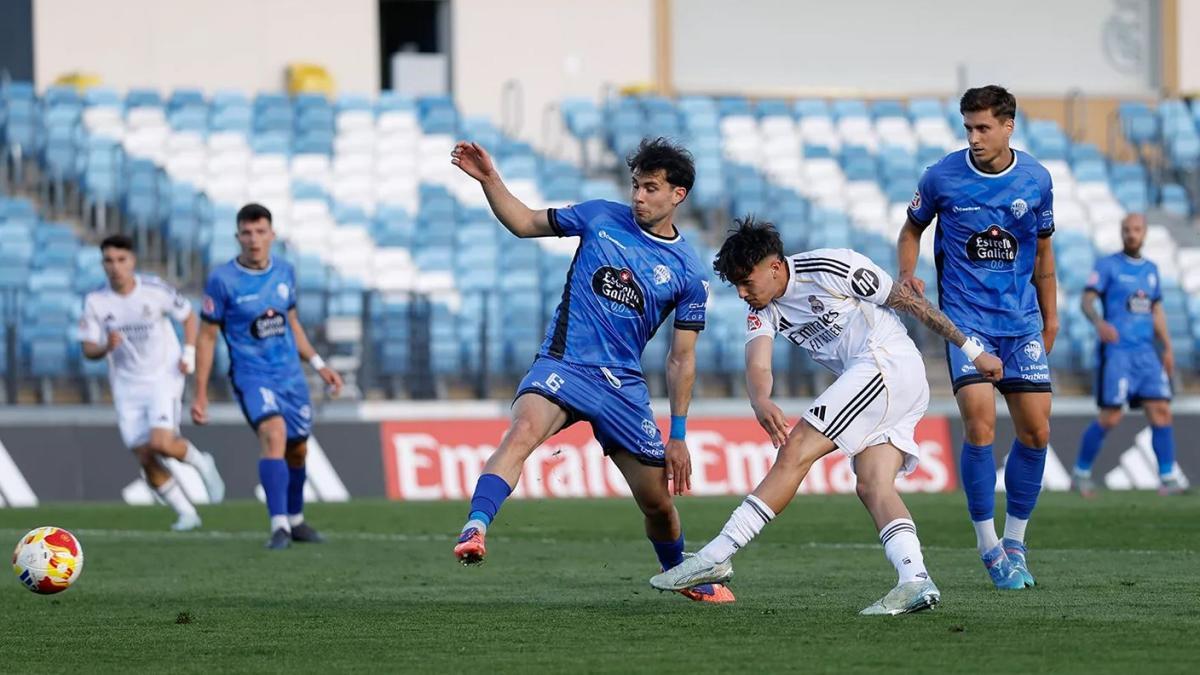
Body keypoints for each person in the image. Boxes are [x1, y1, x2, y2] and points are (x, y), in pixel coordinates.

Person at [649, 219, 1003, 615]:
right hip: (882, 383)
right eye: (736, 286)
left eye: (747, 282)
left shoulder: (833, 267)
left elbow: (909, 302)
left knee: (795, 449)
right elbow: (758, 363)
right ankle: (914, 580)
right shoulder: (762, 308)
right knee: (872, 485)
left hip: (885, 364)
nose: (743, 293)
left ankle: (719, 552)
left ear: (775, 267)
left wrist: (973, 351)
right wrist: (760, 400)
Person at [448, 137, 733, 603]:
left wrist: (678, 433)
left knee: (658, 503)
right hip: (564, 363)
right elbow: (524, 222)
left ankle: (681, 574)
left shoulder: (688, 272)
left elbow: (681, 358)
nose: (638, 196)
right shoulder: (599, 215)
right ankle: (475, 527)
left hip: (623, 388)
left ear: (678, 195)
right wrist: (489, 180)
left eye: (651, 188)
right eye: (636, 186)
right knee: (521, 432)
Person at [896, 85, 1057, 590]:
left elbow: (1045, 258)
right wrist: (909, 273)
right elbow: (910, 231)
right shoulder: (942, 176)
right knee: (981, 427)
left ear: (1009, 126)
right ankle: (988, 545)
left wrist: (1050, 321)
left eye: (983, 127)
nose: (974, 137)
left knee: (1036, 433)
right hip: (968, 325)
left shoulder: (1036, 179)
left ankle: (1016, 540)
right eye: (968, 127)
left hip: (1022, 323)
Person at [191, 203, 344, 549]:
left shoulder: (285, 272)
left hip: (290, 375)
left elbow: (291, 323)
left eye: (260, 232)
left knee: (298, 449)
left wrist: (319, 365)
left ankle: (296, 519)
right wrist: (199, 392)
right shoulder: (223, 280)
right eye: (246, 233)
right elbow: (206, 337)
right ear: (237, 237)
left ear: (272, 235)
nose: (254, 239)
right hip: (251, 375)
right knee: (273, 433)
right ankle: (279, 527)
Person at [79, 234, 225, 531]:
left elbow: (188, 317)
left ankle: (201, 462)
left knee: (162, 443)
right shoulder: (96, 301)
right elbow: (88, 349)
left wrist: (189, 352)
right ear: (102, 263)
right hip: (126, 385)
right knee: (145, 455)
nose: (115, 267)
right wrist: (107, 345)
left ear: (132, 261)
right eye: (109, 260)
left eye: (121, 260)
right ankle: (186, 513)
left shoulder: (154, 290)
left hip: (162, 375)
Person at [1073, 213, 1183, 496]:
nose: (1131, 234)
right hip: (1118, 352)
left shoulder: (1152, 270)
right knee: (1111, 416)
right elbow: (1087, 299)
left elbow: (1155, 310)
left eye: (1136, 229)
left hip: (1146, 353)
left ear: (1144, 233)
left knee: (1161, 411)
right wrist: (1099, 322)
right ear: (1122, 233)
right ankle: (1081, 473)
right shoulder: (1108, 266)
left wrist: (1167, 347)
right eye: (1126, 230)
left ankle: (1168, 478)